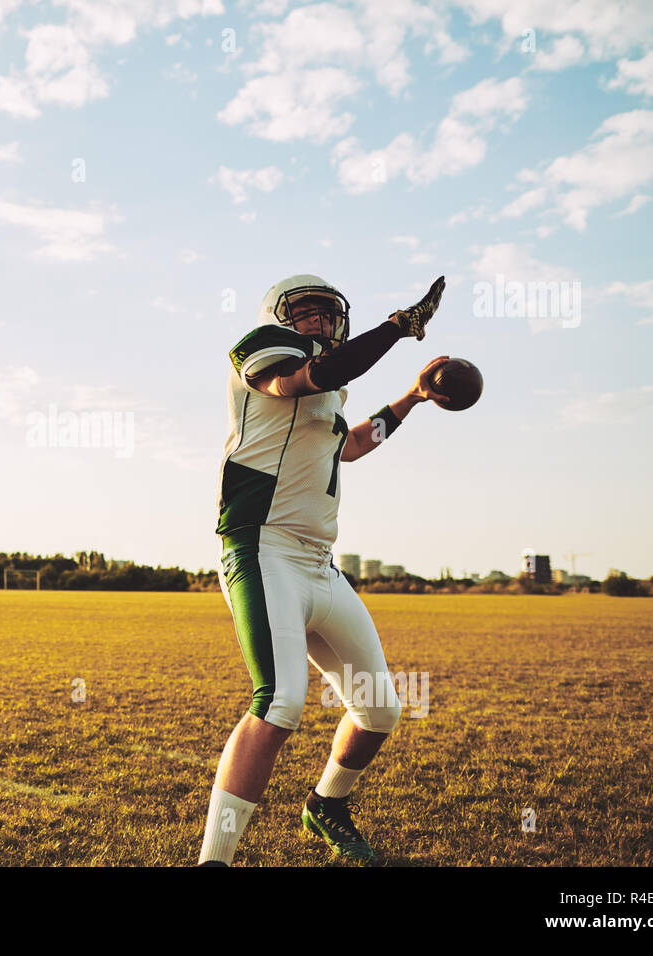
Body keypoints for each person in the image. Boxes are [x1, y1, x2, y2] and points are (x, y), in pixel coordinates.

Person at [199, 272, 449, 866]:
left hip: (319, 563)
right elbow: (307, 376)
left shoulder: (330, 399)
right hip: (262, 548)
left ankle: (326, 806)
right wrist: (398, 326)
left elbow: (354, 443)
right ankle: (214, 860)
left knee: (379, 707)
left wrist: (412, 397)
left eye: (326, 313)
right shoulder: (261, 351)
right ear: (279, 317)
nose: (318, 321)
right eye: (304, 312)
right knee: (281, 701)